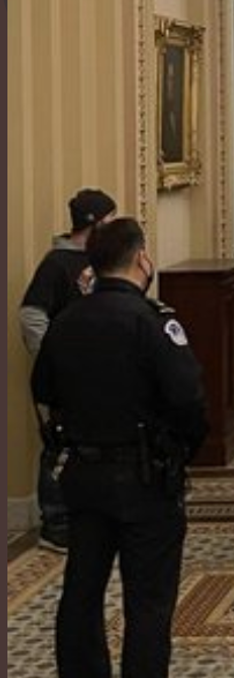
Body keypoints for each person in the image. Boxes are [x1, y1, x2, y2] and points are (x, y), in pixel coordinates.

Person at [31, 217, 208, 678]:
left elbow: (43, 390)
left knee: (80, 599)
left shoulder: (67, 321)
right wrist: (178, 454)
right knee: (148, 606)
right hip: (145, 481)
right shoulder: (152, 322)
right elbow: (190, 401)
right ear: (141, 258)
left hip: (84, 480)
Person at [20, 188, 118, 553]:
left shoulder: (103, 259)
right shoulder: (56, 264)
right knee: (57, 444)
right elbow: (31, 315)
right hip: (66, 374)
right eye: (108, 220)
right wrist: (56, 357)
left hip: (100, 373)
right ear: (93, 223)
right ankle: (55, 521)